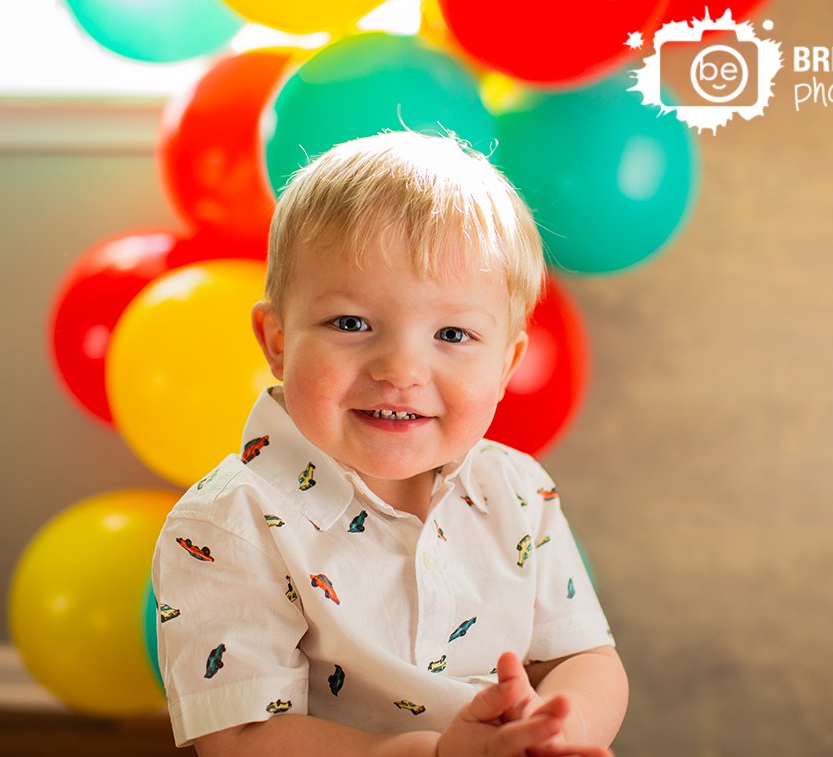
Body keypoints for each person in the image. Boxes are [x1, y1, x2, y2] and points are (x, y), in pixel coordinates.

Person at [152, 130, 628, 757]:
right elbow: (242, 735)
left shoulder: (518, 488)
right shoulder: (231, 523)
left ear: (508, 365)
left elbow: (584, 654)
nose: (400, 369)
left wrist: (563, 729)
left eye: (452, 334)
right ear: (276, 339)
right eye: (351, 324)